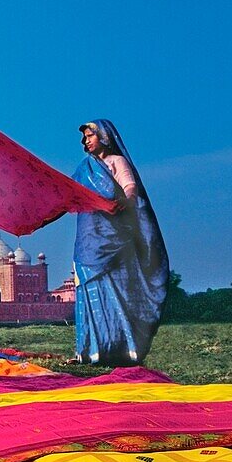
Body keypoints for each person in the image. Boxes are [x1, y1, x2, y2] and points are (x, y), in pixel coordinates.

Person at [72, 119, 168, 365]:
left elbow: (130, 189)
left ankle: (122, 348)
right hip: (89, 238)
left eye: (90, 135)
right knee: (90, 288)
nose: (86, 141)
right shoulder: (86, 169)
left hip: (113, 236)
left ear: (104, 136)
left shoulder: (117, 162)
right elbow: (69, 194)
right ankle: (91, 350)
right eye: (84, 138)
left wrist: (120, 205)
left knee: (118, 291)